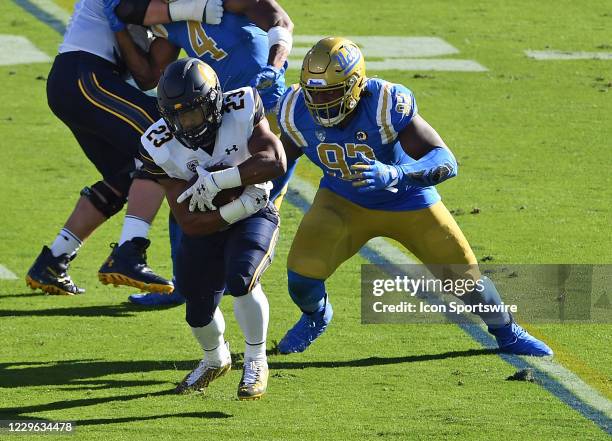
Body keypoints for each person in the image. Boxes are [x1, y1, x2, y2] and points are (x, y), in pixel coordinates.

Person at [274, 37, 553, 357]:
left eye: (332, 92)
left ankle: (507, 330)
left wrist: (396, 174)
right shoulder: (295, 108)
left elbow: (445, 160)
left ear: (354, 85)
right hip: (343, 202)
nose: (321, 102)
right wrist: (266, 199)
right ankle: (316, 316)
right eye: (314, 93)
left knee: (465, 282)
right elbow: (281, 159)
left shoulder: (384, 103)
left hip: (408, 199)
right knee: (301, 278)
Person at [97, 0, 296, 306]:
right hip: (214, 120)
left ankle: (261, 291)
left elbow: (280, 22)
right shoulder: (172, 15)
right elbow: (149, 76)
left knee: (259, 203)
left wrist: (274, 64)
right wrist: (120, 30)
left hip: (262, 110)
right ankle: (187, 286)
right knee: (190, 200)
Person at [25, 0, 223, 295]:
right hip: (85, 75)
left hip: (79, 81)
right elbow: (126, 9)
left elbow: (147, 76)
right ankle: (129, 251)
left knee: (128, 174)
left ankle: (54, 260)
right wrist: (194, 10)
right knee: (164, 139)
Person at [137, 57, 286, 398]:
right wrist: (239, 203)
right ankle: (214, 358)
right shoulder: (157, 144)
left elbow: (276, 160)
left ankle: (255, 359)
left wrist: (223, 180)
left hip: (255, 214)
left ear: (216, 101)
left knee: (242, 279)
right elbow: (188, 219)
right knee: (197, 309)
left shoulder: (243, 104)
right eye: (177, 116)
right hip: (215, 220)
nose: (187, 124)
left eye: (192, 112)